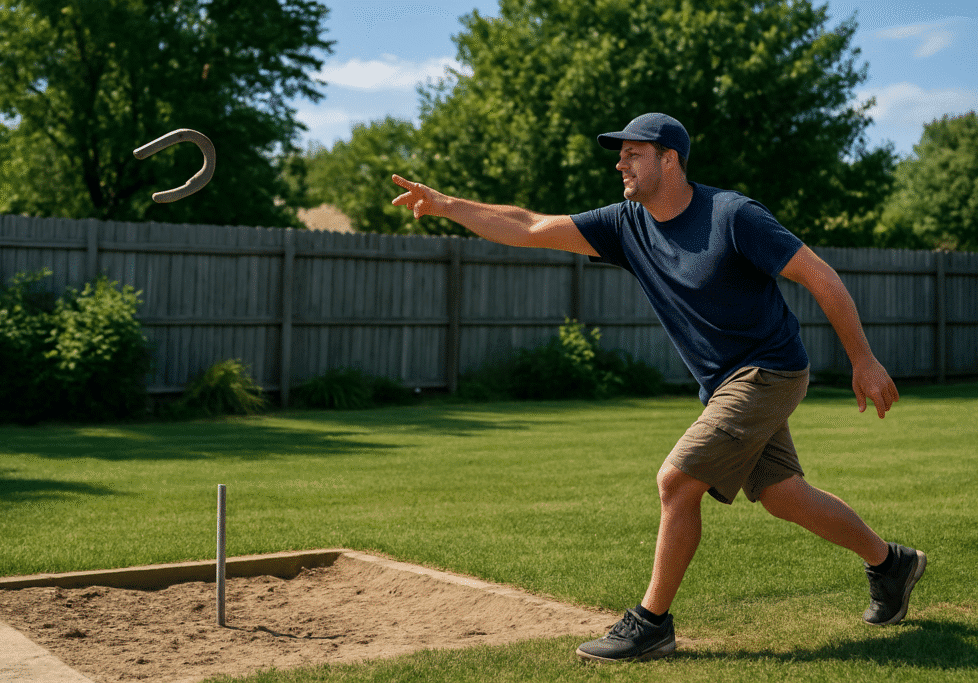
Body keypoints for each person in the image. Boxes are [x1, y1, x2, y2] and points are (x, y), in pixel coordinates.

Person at [390, 112, 926, 663]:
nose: (620, 162)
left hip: (769, 369)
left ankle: (651, 624)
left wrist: (862, 359)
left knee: (676, 480)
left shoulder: (732, 215)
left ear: (669, 159)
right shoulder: (627, 224)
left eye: (633, 153)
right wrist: (445, 204)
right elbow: (529, 226)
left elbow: (819, 274)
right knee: (783, 495)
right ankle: (892, 563)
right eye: (619, 153)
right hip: (723, 384)